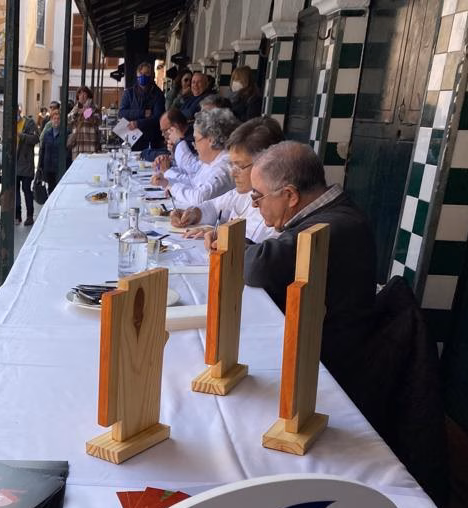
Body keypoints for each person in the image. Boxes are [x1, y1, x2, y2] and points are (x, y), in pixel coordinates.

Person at [245, 141, 376, 389]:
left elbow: (259, 268)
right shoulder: (335, 210)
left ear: (290, 195)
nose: (254, 205)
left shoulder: (331, 226)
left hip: (328, 366)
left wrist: (234, 247)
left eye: (257, 196)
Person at [171, 116, 284, 245]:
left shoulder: (280, 209)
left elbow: (264, 250)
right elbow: (215, 206)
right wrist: (194, 213)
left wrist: (225, 236)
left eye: (240, 166)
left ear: (266, 164)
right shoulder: (244, 193)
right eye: (232, 165)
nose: (233, 173)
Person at [154, 108, 238, 207]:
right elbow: (193, 181)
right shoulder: (211, 162)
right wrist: (166, 181)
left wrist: (171, 187)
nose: (194, 145)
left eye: (196, 139)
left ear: (211, 140)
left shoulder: (225, 167)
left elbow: (199, 198)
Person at [119, 61, 165, 154]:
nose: (143, 76)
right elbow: (122, 113)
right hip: (131, 137)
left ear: (151, 75)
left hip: (152, 139)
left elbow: (158, 117)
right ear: (137, 75)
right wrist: (142, 113)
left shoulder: (158, 94)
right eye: (140, 73)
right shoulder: (129, 93)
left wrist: (138, 123)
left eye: (146, 73)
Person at [14, 104, 39, 225]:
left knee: (26, 189)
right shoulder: (9, 124)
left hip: (26, 162)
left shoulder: (29, 123)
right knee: (15, 191)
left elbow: (35, 139)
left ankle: (29, 216)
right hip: (14, 162)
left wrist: (21, 135)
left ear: (20, 111)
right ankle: (17, 215)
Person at [67, 86, 101, 160]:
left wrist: (86, 112)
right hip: (77, 144)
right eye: (80, 94)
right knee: (77, 165)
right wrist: (76, 111)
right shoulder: (76, 107)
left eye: (84, 93)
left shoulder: (94, 107)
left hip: (90, 143)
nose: (82, 96)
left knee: (89, 164)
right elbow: (68, 119)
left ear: (88, 95)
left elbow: (97, 121)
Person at [37, 104, 65, 193]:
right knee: (50, 190)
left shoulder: (64, 134)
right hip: (48, 168)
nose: (56, 121)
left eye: (58, 119)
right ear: (51, 120)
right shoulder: (47, 134)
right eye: (54, 118)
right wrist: (40, 166)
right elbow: (42, 151)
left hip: (59, 168)